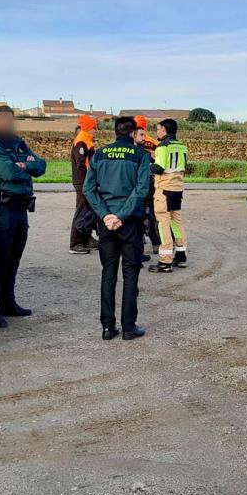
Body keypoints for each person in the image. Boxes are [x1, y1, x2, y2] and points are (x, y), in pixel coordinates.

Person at [83, 116, 152, 340]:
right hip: (130, 221)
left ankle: (107, 327)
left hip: (106, 223)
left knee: (108, 274)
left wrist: (105, 215)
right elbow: (142, 190)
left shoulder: (100, 154)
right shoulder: (140, 155)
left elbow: (89, 189)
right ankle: (129, 328)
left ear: (115, 132)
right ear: (132, 133)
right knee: (131, 274)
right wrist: (121, 216)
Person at [0, 106, 47, 327]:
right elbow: (7, 172)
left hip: (20, 208)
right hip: (2, 209)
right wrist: (26, 169)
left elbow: (42, 166)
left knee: (14, 258)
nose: (7, 124)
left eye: (10, 120)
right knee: (0, 258)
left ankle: (8, 303)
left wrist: (24, 164)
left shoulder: (18, 142)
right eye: (3, 120)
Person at [147, 118, 189, 273]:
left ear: (164, 130)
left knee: (163, 223)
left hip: (164, 190)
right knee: (176, 222)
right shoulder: (182, 146)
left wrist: (149, 163)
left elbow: (159, 168)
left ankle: (165, 261)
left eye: (158, 129)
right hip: (178, 189)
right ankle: (181, 256)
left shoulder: (162, 146)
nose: (157, 132)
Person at [69, 115, 99, 254]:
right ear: (88, 128)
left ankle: (86, 238)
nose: (96, 130)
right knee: (82, 211)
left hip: (87, 181)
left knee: (88, 210)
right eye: (95, 127)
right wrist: (90, 179)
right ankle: (75, 243)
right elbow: (81, 164)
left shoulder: (86, 140)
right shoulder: (81, 141)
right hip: (83, 181)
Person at [133, 116, 161, 257]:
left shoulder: (131, 143)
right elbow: (159, 158)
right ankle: (156, 243)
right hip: (152, 180)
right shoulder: (153, 142)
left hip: (138, 183)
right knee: (154, 212)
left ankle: (140, 239)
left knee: (139, 212)